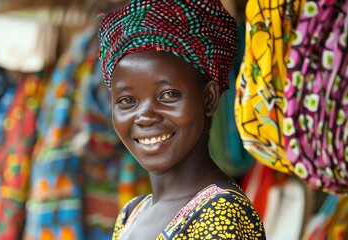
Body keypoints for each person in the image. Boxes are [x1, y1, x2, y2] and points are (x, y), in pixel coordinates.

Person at [98, 0, 266, 239]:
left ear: (209, 98)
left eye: (168, 95)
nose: (145, 117)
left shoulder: (220, 213)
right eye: (127, 101)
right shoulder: (132, 213)